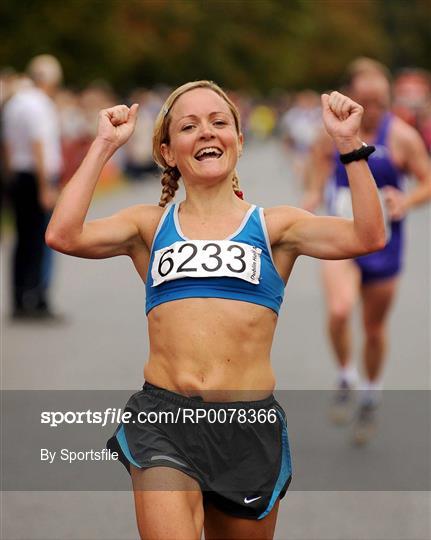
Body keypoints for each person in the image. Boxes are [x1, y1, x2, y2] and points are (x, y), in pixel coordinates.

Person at [46, 80, 385, 539]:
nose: (206, 132)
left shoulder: (274, 227)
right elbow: (63, 234)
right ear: (167, 152)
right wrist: (104, 144)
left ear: (239, 142)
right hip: (164, 421)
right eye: (188, 126)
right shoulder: (149, 225)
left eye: (219, 122)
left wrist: (348, 145)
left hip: (247, 430)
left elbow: (368, 236)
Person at [303, 59, 431, 445]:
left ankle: (371, 394)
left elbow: (427, 181)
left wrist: (404, 201)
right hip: (342, 236)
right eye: (365, 99)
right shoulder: (332, 134)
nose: (372, 108)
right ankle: (347, 374)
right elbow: (316, 173)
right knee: (340, 310)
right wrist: (309, 200)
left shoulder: (403, 136)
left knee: (374, 328)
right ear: (351, 98)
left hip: (385, 242)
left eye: (379, 100)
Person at [3, 54, 63, 319]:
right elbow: (40, 144)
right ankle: (37, 298)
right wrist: (45, 186)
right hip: (37, 177)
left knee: (21, 240)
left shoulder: (15, 102)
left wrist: (9, 173)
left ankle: (18, 298)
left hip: (18, 174)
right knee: (40, 240)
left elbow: (7, 144)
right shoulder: (40, 104)